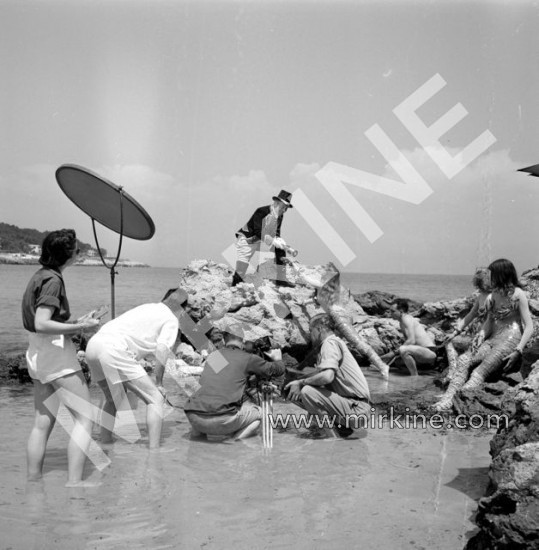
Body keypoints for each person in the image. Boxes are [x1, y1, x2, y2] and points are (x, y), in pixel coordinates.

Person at [22, 229, 101, 486]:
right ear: (68, 255)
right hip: (55, 355)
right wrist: (81, 328)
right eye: (77, 250)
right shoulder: (54, 281)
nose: (79, 254)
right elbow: (42, 323)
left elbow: (41, 323)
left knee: (42, 422)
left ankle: (33, 482)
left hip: (37, 354)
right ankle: (75, 482)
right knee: (85, 418)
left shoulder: (40, 276)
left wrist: (78, 321)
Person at [85, 288, 188, 449]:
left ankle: (105, 443)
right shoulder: (171, 319)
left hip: (93, 346)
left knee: (112, 398)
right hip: (113, 349)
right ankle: (154, 451)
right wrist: (159, 383)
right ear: (182, 308)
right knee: (156, 398)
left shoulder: (148, 307)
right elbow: (162, 350)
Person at [433, 259, 533, 411]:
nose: (490, 277)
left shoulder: (518, 295)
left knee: (479, 373)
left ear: (501, 274)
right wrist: (480, 336)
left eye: (492, 274)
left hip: (510, 339)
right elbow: (489, 321)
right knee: (464, 360)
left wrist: (518, 350)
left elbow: (529, 326)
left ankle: (457, 401)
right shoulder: (493, 295)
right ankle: (447, 398)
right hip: (492, 337)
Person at [183, 321, 285, 440]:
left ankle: (198, 443)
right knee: (261, 414)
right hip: (222, 419)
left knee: (207, 407)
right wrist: (278, 359)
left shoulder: (214, 356)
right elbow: (277, 370)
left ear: (224, 340)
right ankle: (234, 443)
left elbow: (224, 379)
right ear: (242, 340)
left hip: (193, 416)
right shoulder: (248, 358)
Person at [284, 313, 371, 438]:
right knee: (308, 395)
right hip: (358, 407)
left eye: (311, 330)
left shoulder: (329, 343)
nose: (310, 335)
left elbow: (327, 377)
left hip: (356, 409)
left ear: (319, 329)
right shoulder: (336, 342)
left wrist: (301, 383)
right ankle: (340, 430)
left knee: (308, 392)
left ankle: (332, 438)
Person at [439, 268, 491, 390]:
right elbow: (470, 315)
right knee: (451, 340)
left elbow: (476, 317)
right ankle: (452, 372)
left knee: (450, 342)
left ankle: (452, 373)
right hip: (481, 335)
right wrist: (456, 331)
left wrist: (456, 333)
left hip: (486, 337)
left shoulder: (489, 297)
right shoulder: (482, 296)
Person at [231, 189, 294, 287]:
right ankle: (235, 284)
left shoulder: (280, 216)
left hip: (261, 241)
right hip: (248, 239)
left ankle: (281, 279)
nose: (284, 210)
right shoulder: (261, 211)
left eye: (286, 208)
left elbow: (276, 232)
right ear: (276, 203)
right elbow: (257, 230)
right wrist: (272, 241)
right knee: (243, 263)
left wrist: (279, 240)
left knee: (280, 248)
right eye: (283, 206)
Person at [391, 299, 437, 376]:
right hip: (420, 352)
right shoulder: (402, 322)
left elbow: (411, 341)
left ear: (401, 311)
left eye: (393, 311)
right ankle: (421, 375)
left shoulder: (406, 319)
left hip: (429, 353)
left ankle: (414, 377)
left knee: (403, 350)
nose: (391, 314)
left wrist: (394, 353)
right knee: (397, 361)